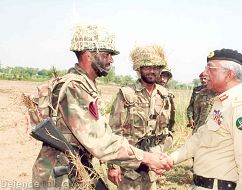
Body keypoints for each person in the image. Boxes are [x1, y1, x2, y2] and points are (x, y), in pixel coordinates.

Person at [32, 24, 172, 189]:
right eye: (106, 55)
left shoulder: (85, 85)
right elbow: (100, 142)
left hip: (74, 168)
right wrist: (147, 158)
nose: (111, 60)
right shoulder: (75, 88)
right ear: (89, 55)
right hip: (58, 176)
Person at [169, 48, 242, 189]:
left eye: (210, 69)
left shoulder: (241, 106)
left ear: (229, 74)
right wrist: (170, 159)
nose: (204, 73)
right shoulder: (222, 102)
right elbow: (200, 138)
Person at [107, 44, 173, 190]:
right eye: (147, 67)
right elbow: (113, 131)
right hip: (129, 166)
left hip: (152, 167)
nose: (151, 71)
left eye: (155, 67)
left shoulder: (164, 96)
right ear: (139, 69)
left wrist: (161, 155)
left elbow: (168, 130)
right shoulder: (126, 94)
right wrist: (113, 165)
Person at [157, 66, 176, 132]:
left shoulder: (169, 94)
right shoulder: (147, 92)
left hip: (164, 130)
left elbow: (172, 112)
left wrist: (171, 129)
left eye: (165, 76)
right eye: (160, 76)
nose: (162, 79)